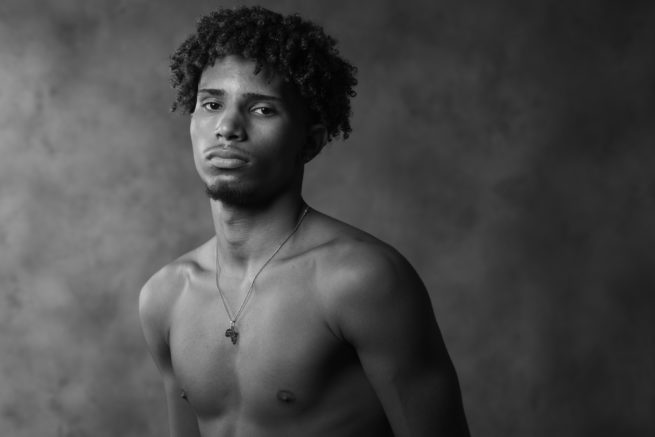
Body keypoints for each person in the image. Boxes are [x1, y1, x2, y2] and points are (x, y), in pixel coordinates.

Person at [139, 6, 470, 437]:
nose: (227, 127)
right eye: (212, 104)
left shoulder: (362, 281)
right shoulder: (166, 296)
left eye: (262, 109)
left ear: (310, 142)